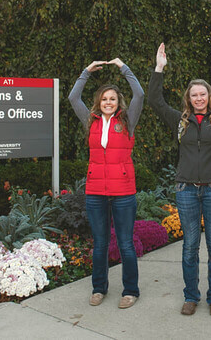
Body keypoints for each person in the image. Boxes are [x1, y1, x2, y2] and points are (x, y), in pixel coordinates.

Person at [148, 41, 211, 317]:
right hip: (186, 190)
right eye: (194, 95)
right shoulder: (180, 121)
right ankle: (191, 296)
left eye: (203, 94)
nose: (199, 98)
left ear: (209, 96)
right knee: (190, 246)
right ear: (189, 98)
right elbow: (155, 101)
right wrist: (159, 68)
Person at [68, 58, 144, 310]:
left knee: (125, 243)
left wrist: (124, 67)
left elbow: (139, 94)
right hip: (96, 192)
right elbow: (73, 98)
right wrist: (86, 72)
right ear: (98, 102)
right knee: (100, 244)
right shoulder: (90, 120)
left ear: (118, 102)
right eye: (104, 99)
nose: (108, 102)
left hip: (123, 192)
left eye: (112, 99)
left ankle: (130, 290)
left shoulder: (128, 120)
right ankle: (99, 288)